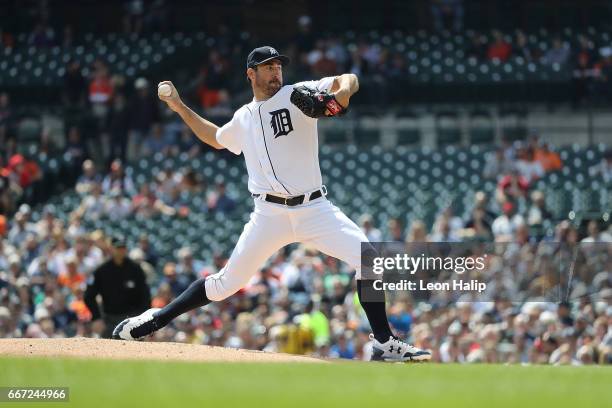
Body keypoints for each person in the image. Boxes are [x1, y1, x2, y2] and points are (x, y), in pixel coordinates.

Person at [113, 46, 431, 362]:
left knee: (369, 260)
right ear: (251, 74)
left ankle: (385, 342)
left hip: (313, 209)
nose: (276, 70)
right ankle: (155, 319)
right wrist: (180, 106)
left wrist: (340, 95)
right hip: (269, 215)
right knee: (225, 284)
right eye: (267, 66)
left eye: (278, 65)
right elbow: (216, 137)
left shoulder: (297, 94)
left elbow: (349, 79)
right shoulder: (244, 117)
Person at [85, 236, 151, 338]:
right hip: (110, 320)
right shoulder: (102, 270)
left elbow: (146, 295)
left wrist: (144, 319)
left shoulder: (135, 269)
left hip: (132, 320)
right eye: (118, 247)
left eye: (123, 247)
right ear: (111, 248)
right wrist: (96, 317)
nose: (121, 250)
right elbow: (89, 295)